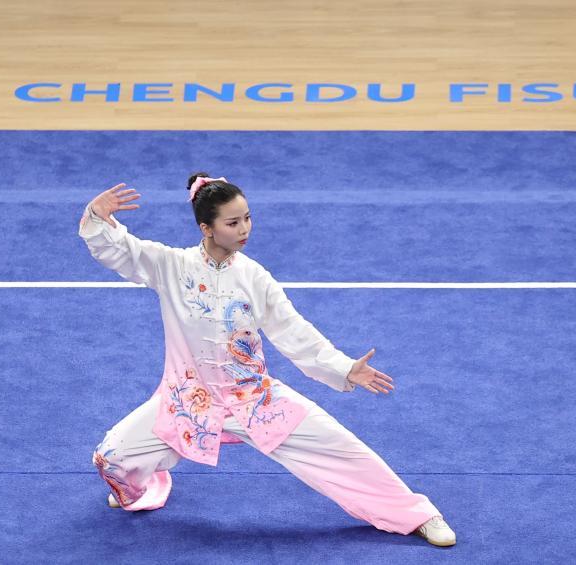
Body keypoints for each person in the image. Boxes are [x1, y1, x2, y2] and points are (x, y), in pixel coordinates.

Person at [80, 174, 456, 547]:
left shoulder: (254, 277)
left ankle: (417, 514)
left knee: (343, 450)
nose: (244, 229)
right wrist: (97, 216)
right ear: (206, 228)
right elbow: (125, 251)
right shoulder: (172, 266)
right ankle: (146, 486)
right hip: (187, 401)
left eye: (247, 218)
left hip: (255, 400)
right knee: (111, 458)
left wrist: (344, 367)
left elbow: (293, 330)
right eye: (232, 223)